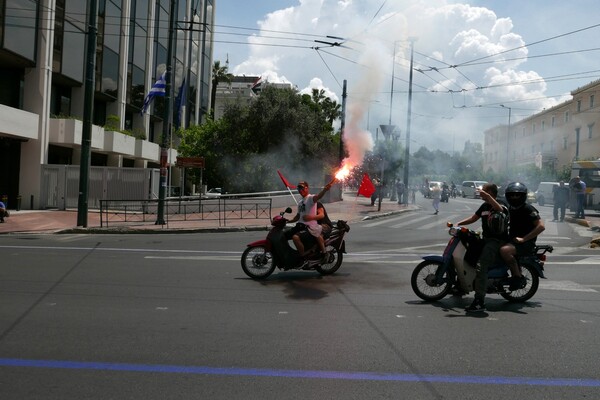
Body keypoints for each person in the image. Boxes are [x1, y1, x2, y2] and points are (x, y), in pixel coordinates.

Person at [457, 183, 509, 313]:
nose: (480, 193)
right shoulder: (484, 206)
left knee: (481, 265)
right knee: (469, 255)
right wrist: (458, 224)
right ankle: (460, 285)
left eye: (484, 191)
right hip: (486, 239)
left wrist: (488, 197)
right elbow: (474, 218)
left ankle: (479, 301)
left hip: (497, 241)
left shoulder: (500, 203)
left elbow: (500, 210)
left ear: (490, 192)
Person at [499, 182, 545, 291]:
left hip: (525, 243)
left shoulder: (528, 209)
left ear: (523, 195)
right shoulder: (510, 208)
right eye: (512, 195)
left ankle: (517, 277)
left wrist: (524, 239)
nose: (514, 197)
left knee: (505, 251)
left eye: (517, 195)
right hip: (513, 240)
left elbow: (541, 226)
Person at [286, 180, 335, 262]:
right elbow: (298, 216)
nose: (300, 190)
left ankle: (305, 257)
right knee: (286, 234)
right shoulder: (300, 202)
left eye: (302, 188)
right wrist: (287, 221)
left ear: (307, 188)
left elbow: (319, 198)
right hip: (303, 225)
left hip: (317, 226)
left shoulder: (311, 199)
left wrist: (325, 190)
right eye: (298, 189)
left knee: (297, 237)